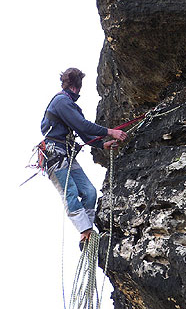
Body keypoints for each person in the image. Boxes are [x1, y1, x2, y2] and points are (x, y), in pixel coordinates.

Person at [41, 68, 128, 242]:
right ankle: (85, 230)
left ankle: (87, 232)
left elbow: (82, 131)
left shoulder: (69, 104)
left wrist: (101, 144)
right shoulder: (61, 102)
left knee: (89, 192)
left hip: (66, 154)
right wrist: (110, 131)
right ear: (77, 86)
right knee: (70, 191)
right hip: (54, 154)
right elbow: (82, 125)